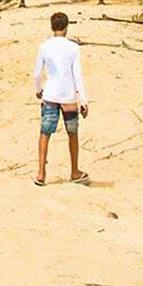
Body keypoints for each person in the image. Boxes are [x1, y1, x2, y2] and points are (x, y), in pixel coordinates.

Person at [32, 11, 89, 186]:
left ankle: (41, 173)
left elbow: (37, 74)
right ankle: (74, 171)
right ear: (66, 27)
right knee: (72, 133)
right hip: (68, 96)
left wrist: (38, 89)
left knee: (45, 133)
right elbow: (77, 75)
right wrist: (84, 99)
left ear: (52, 27)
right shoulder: (73, 48)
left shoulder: (44, 47)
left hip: (50, 93)